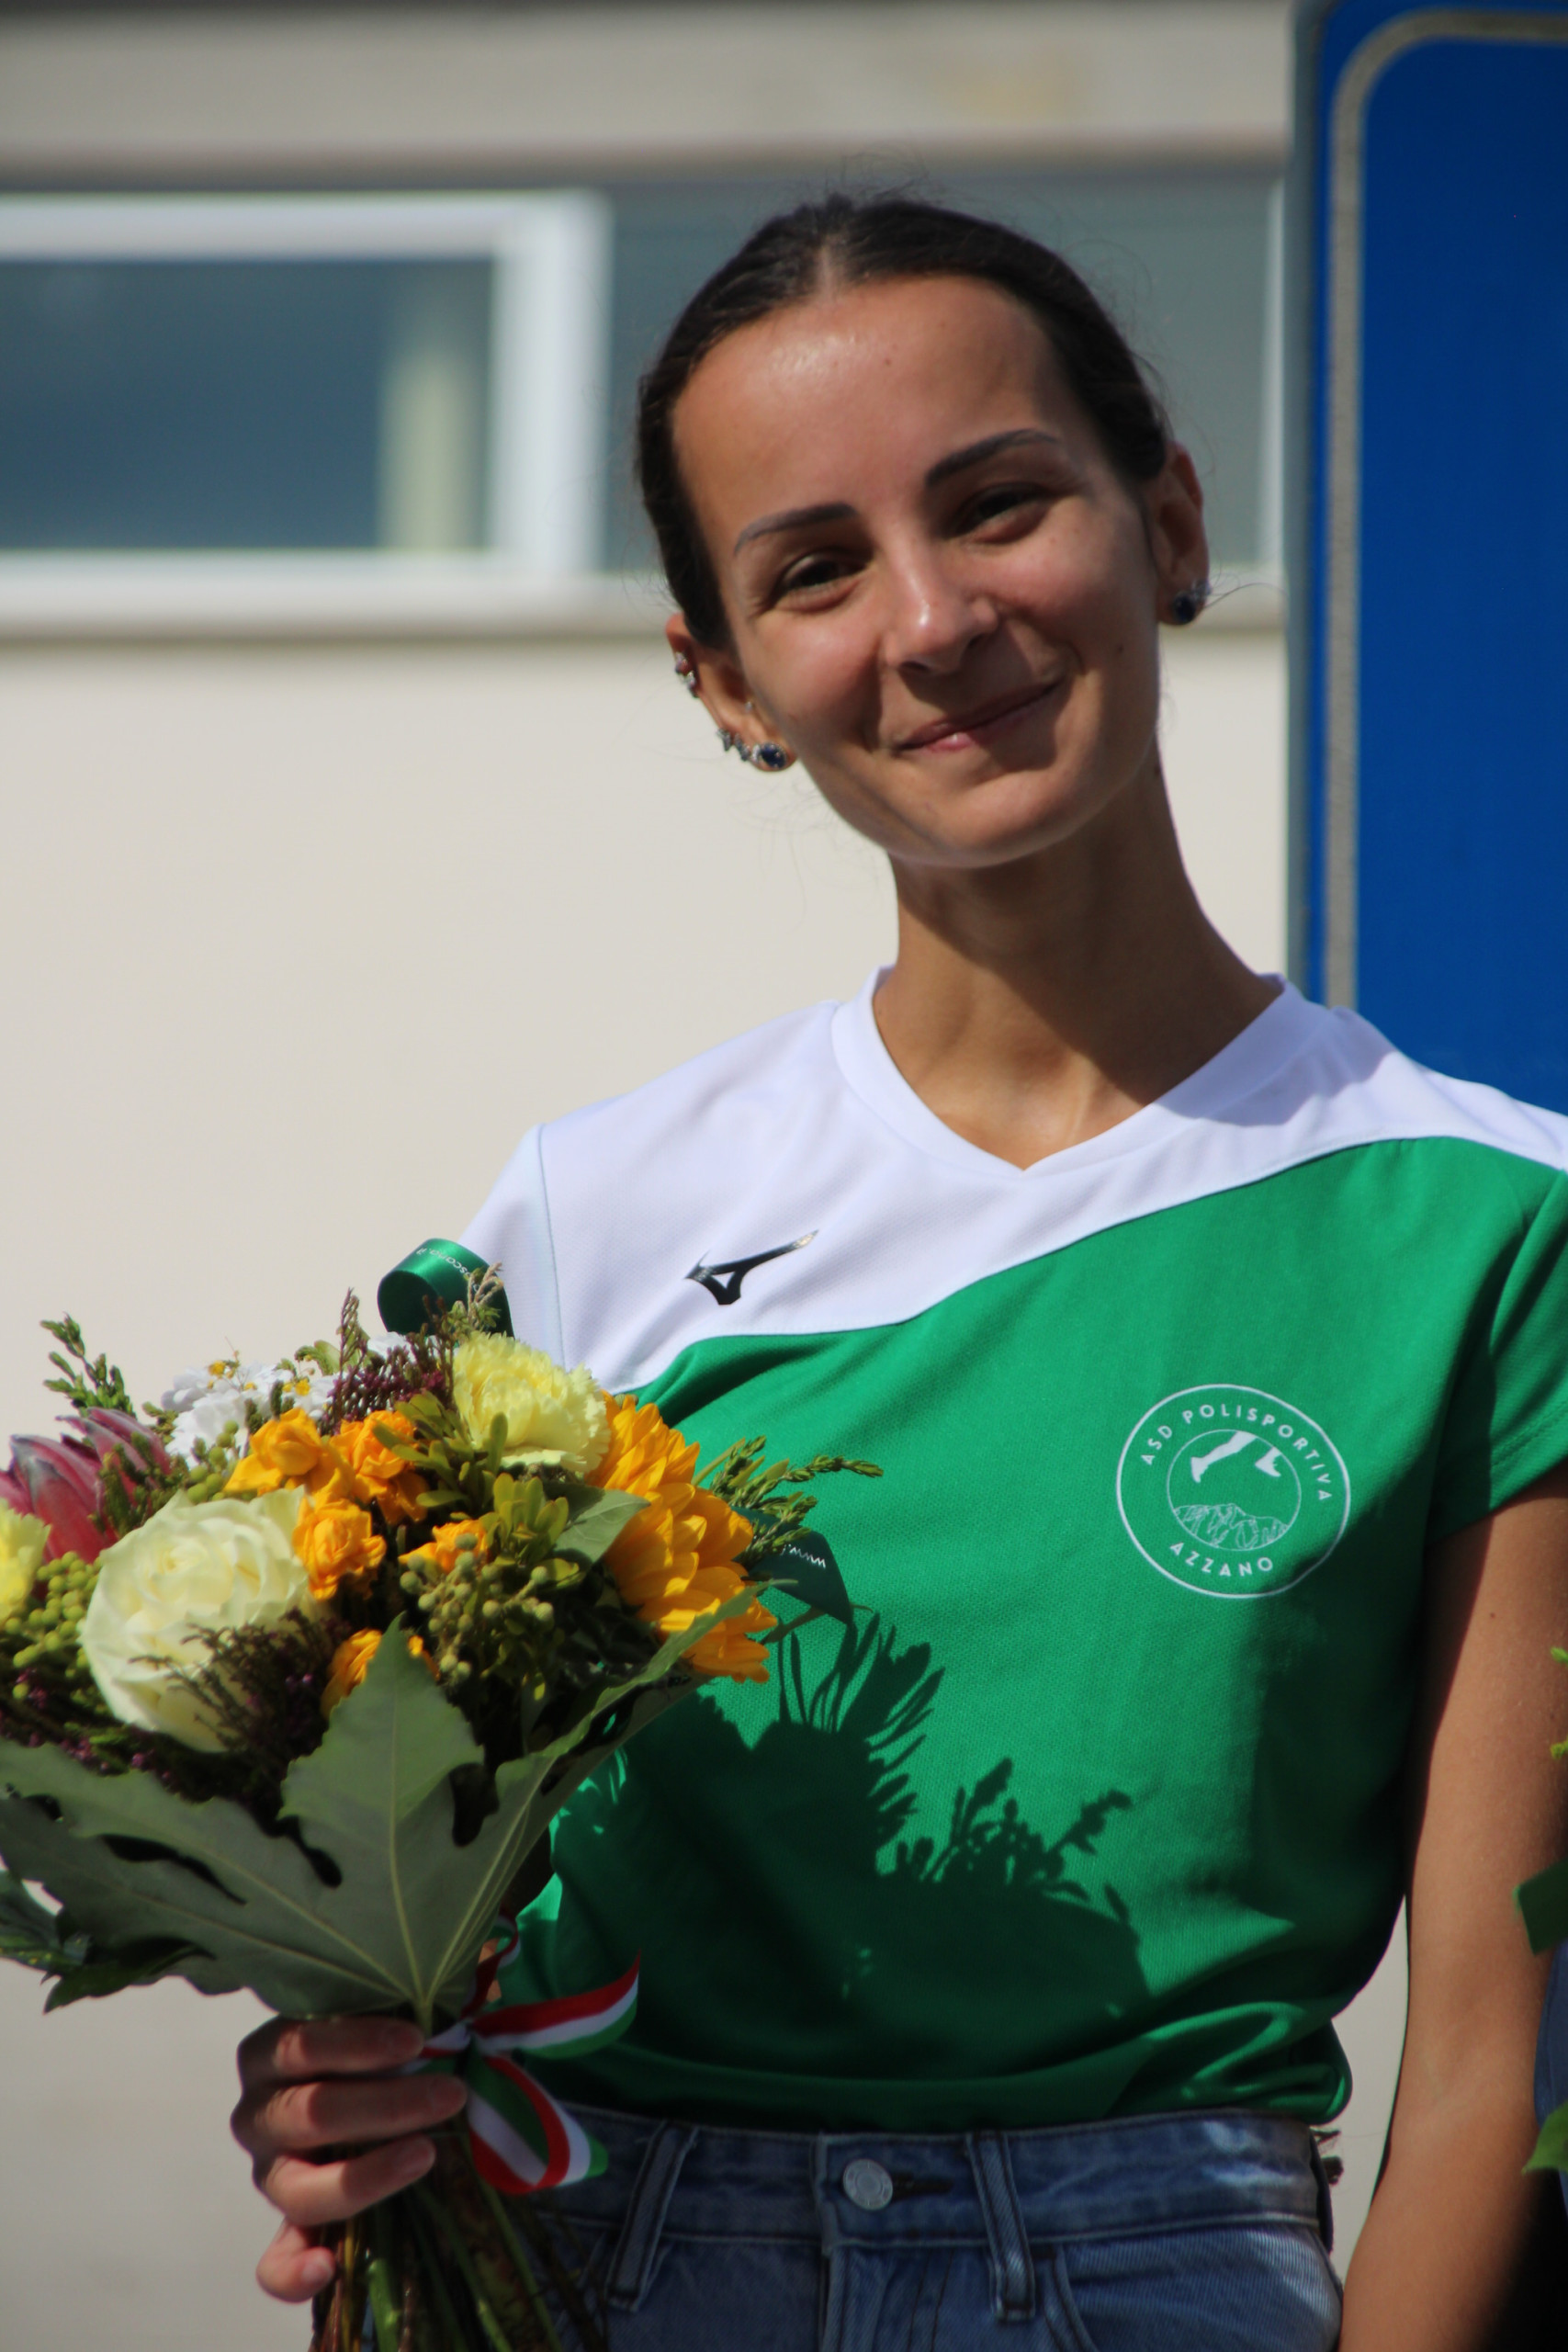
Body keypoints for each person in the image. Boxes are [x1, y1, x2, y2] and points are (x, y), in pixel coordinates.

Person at [231, 195, 1568, 2350]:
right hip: (585, 2248)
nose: (933, 619)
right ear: (723, 679)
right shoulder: (577, 1214)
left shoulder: (1492, 1224)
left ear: (1167, 518)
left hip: (1158, 2270)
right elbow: (419, 1943)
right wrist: (342, 2090)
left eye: (998, 502)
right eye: (813, 568)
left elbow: (1489, 2073)